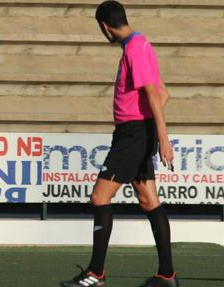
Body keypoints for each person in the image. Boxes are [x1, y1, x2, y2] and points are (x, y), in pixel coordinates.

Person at [60, 1, 178, 287]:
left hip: (132, 135)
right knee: (149, 200)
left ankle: (95, 274)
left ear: (104, 27)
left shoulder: (135, 48)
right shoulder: (141, 44)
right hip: (138, 132)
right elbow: (165, 94)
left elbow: (154, 94)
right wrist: (150, 128)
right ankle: (167, 276)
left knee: (99, 198)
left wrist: (161, 137)